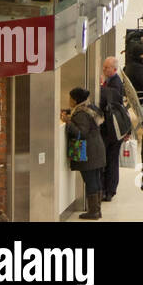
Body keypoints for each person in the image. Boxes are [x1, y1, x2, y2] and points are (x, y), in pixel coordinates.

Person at [62, 87, 106, 220]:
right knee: (96, 180)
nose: (69, 100)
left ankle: (93, 212)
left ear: (75, 100)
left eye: (70, 98)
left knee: (91, 181)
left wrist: (68, 122)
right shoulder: (90, 108)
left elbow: (81, 133)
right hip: (97, 150)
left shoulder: (81, 114)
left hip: (89, 153)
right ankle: (97, 210)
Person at [98, 58, 127, 202]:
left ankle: (109, 190)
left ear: (114, 69)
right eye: (103, 67)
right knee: (110, 159)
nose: (104, 69)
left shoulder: (115, 84)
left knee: (111, 159)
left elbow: (108, 97)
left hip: (112, 130)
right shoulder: (110, 81)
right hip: (111, 129)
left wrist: (98, 87)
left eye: (107, 67)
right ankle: (107, 188)